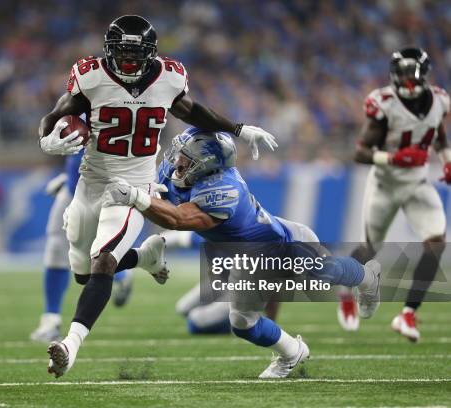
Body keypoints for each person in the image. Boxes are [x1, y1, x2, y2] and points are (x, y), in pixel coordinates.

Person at [38, 15, 277, 378]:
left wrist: (239, 129)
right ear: (108, 51)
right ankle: (145, 258)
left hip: (136, 184)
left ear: (151, 53)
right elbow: (56, 114)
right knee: (84, 273)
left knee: (103, 260)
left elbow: (193, 111)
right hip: (92, 180)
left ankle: (70, 345)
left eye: (137, 54)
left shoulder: (169, 76)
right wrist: (46, 138)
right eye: (123, 53)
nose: (130, 61)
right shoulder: (89, 75)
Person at [102, 127, 382, 378]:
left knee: (326, 272)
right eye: (180, 153)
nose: (177, 161)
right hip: (250, 258)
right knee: (242, 323)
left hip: (284, 247)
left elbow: (177, 219)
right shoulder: (183, 171)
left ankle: (368, 278)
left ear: (205, 165)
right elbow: (155, 193)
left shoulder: (223, 190)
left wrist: (136, 197)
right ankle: (292, 352)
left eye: (186, 157)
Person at [337, 48, 449, 342]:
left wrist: (448, 160)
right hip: (385, 184)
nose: (407, 82)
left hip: (417, 183)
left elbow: (439, 136)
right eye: (402, 75)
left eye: (412, 75)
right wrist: (394, 158)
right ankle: (345, 288)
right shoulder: (384, 103)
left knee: (436, 242)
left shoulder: (439, 100)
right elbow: (360, 152)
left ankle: (408, 314)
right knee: (369, 249)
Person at [30, 150, 133, 342]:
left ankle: (123, 274)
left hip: (107, 189)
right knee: (56, 246)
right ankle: (51, 319)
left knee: (98, 252)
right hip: (74, 187)